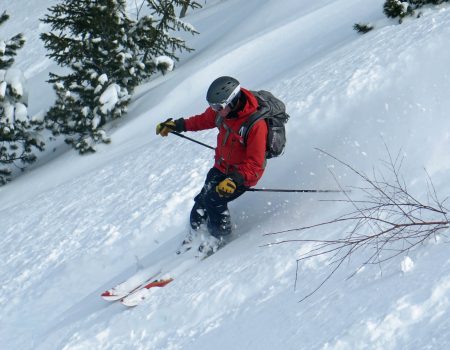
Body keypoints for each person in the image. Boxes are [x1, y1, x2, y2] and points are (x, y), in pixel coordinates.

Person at [156, 76, 268, 240]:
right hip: (222, 167)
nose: (214, 110)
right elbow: (202, 120)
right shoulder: (222, 112)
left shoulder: (256, 125)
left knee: (214, 200)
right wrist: (178, 125)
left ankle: (219, 238)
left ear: (233, 101)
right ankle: (194, 237)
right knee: (201, 201)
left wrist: (235, 179)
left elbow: (255, 165)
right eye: (212, 106)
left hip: (241, 176)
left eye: (218, 106)